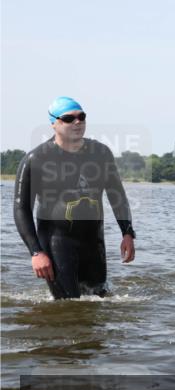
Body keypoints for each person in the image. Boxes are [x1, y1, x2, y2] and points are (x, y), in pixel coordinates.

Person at [13, 97, 136, 299]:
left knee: (100, 302)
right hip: (57, 241)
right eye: (69, 119)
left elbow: (117, 195)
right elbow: (21, 208)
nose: (77, 122)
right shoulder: (37, 159)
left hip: (94, 242)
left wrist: (128, 233)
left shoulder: (101, 153)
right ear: (54, 123)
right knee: (68, 305)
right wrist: (36, 252)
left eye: (81, 117)